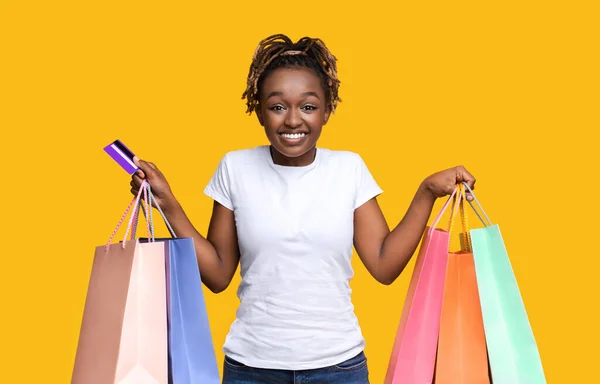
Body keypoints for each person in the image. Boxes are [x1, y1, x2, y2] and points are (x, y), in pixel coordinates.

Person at [130, 34, 477, 384]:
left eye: (308, 107)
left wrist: (427, 191)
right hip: (251, 369)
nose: (293, 120)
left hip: (339, 368)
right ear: (259, 111)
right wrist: (167, 203)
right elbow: (218, 274)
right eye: (278, 106)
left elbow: (385, 265)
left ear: (327, 111)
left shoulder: (348, 169)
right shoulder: (235, 168)